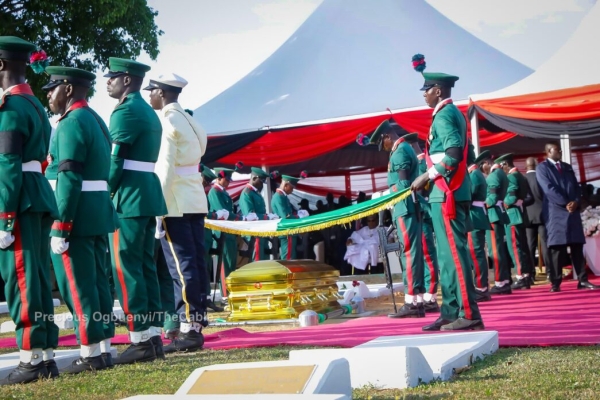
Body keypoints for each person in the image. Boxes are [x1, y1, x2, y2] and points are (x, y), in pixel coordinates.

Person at [43, 66, 116, 373]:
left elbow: (70, 177)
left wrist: (61, 225)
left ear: (69, 89)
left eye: (53, 89)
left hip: (77, 213)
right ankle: (103, 348)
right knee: (98, 283)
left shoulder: (71, 123)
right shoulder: (96, 119)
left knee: (77, 285)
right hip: (96, 210)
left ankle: (89, 353)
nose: (48, 95)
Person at [147, 73, 227, 352]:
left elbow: (166, 170)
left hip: (176, 201)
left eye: (152, 90)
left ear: (162, 92)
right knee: (195, 263)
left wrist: (159, 208)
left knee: (181, 267)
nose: (150, 95)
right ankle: (196, 323)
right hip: (193, 198)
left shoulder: (169, 122)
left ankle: (188, 328)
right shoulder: (192, 122)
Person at [0, 36, 60, 384]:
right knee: (36, 278)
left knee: (21, 281)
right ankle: (46, 354)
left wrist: (5, 216)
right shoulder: (34, 104)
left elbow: (7, 164)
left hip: (18, 200)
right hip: (36, 195)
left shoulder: (10, 108)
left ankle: (31, 358)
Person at [105, 58, 167, 364]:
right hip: (145, 194)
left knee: (125, 268)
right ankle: (152, 335)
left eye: (113, 77)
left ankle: (139, 337)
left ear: (127, 80)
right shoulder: (147, 111)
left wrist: (105, 191)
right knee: (145, 268)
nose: (108, 82)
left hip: (128, 196)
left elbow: (115, 161)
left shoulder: (125, 110)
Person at [410, 71, 483, 331]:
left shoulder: (444, 115)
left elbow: (453, 154)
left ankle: (469, 313)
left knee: (454, 254)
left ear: (438, 91)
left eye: (427, 89)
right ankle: (451, 311)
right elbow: (470, 154)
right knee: (445, 256)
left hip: (447, 193)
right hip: (450, 191)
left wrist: (426, 176)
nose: (424, 93)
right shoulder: (455, 114)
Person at [359, 122, 425, 318]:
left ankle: (411, 301)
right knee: (412, 253)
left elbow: (404, 184)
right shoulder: (403, 149)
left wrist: (385, 194)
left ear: (387, 136)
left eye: (383, 143)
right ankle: (418, 300)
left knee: (408, 254)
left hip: (404, 208)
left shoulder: (400, 152)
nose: (384, 148)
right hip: (406, 207)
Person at [536, 142, 600, 292]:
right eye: (558, 150)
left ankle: (582, 280)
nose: (560, 152)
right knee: (557, 248)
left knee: (577, 245)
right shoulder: (542, 168)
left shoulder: (567, 167)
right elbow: (548, 189)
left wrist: (576, 202)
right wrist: (565, 202)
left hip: (572, 212)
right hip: (556, 212)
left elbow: (576, 187)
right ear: (548, 152)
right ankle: (556, 282)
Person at [208, 166, 257, 298]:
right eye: (226, 179)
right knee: (224, 263)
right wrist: (243, 218)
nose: (228, 182)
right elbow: (223, 213)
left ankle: (230, 292)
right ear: (219, 178)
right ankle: (225, 294)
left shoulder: (223, 192)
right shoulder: (215, 192)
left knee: (231, 262)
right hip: (221, 232)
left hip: (229, 231)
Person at [406, 133, 440, 312]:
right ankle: (426, 294)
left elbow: (422, 191)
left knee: (428, 257)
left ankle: (431, 296)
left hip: (424, 216)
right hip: (419, 216)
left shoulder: (421, 164)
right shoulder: (419, 163)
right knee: (422, 257)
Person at [496, 153, 535, 289]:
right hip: (519, 215)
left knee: (514, 248)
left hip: (512, 215)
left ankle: (520, 276)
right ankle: (527, 275)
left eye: (501, 167)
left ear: (505, 164)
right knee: (522, 247)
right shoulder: (520, 176)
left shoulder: (511, 177)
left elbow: (511, 196)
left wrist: (502, 203)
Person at [483, 155, 512, 295]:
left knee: (495, 250)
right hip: (498, 214)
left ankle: (500, 282)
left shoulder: (494, 175)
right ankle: (505, 280)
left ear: (488, 163)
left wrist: (482, 205)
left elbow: (492, 197)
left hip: (493, 214)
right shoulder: (501, 173)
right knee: (499, 248)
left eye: (484, 165)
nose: (483, 168)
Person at [467, 150, 493, 302]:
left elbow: (469, 195)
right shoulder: (475, 173)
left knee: (476, 254)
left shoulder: (474, 174)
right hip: (477, 215)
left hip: (475, 216)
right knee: (477, 253)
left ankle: (481, 287)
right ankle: (481, 286)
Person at [239, 167, 278, 261]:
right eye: (261, 181)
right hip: (254, 232)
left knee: (264, 261)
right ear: (254, 178)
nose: (261, 184)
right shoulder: (247, 193)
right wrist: (267, 217)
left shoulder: (255, 193)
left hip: (261, 231)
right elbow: (250, 216)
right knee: (257, 262)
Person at [271, 174, 309, 260]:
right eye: (291, 188)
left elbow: (289, 212)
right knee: (288, 258)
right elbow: (286, 216)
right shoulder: (279, 197)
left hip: (289, 231)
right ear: (286, 185)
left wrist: (297, 213)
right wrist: (299, 217)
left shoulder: (283, 197)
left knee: (291, 256)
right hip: (286, 231)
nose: (292, 190)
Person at [523, 157, 548, 280]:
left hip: (528, 216)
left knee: (530, 246)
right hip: (542, 215)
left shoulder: (522, 179)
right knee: (545, 244)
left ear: (525, 166)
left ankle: (531, 275)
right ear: (536, 165)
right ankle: (550, 272)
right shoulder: (541, 177)